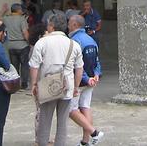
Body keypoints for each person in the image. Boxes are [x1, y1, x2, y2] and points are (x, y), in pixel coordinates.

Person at [28, 12, 84, 146]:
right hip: (67, 85)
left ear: (51, 26)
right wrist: (76, 87)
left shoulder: (42, 42)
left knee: (44, 121)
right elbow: (79, 68)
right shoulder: (73, 44)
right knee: (62, 123)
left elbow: (34, 66)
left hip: (48, 85)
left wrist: (34, 84)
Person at [68, 15, 105, 146]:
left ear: (74, 25)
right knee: (85, 107)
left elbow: (76, 65)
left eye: (69, 23)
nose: (67, 25)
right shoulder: (91, 40)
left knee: (71, 110)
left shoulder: (73, 41)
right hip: (91, 81)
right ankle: (85, 142)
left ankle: (94, 132)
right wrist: (96, 75)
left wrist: (85, 79)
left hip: (78, 81)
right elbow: (97, 61)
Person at [3, 3, 30, 90]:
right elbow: (25, 33)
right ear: (18, 10)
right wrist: (29, 42)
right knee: (24, 65)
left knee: (14, 66)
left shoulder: (7, 19)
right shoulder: (22, 19)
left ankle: (16, 83)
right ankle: (24, 83)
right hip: (22, 45)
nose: (22, 11)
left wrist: (3, 10)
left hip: (11, 45)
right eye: (21, 9)